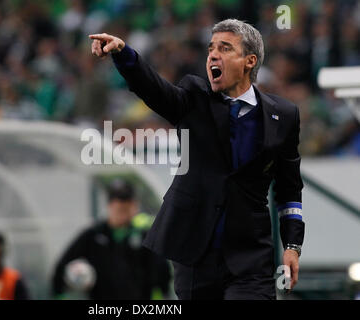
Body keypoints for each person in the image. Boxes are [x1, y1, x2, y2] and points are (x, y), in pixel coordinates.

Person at [89, 18, 305, 300]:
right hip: (195, 256)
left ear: (249, 61)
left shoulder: (284, 115)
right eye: (211, 48)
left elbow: (290, 189)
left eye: (225, 48)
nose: (213, 55)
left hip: (250, 257)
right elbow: (154, 89)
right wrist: (123, 54)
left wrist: (292, 245)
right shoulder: (194, 98)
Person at [52, 179, 171, 300]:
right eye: (119, 206)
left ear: (134, 206)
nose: (123, 210)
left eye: (127, 205)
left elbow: (162, 272)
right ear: (110, 206)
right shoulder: (93, 235)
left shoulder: (143, 235)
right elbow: (63, 265)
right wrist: (59, 294)